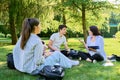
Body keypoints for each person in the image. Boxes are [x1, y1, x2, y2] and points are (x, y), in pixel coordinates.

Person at [13, 18, 79, 75]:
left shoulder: (22, 37)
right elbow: (38, 62)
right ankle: (70, 63)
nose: (41, 27)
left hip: (21, 67)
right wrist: (45, 55)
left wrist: (43, 53)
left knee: (53, 54)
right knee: (57, 54)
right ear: (35, 27)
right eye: (40, 25)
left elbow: (18, 53)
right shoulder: (37, 40)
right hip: (33, 70)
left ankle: (68, 62)